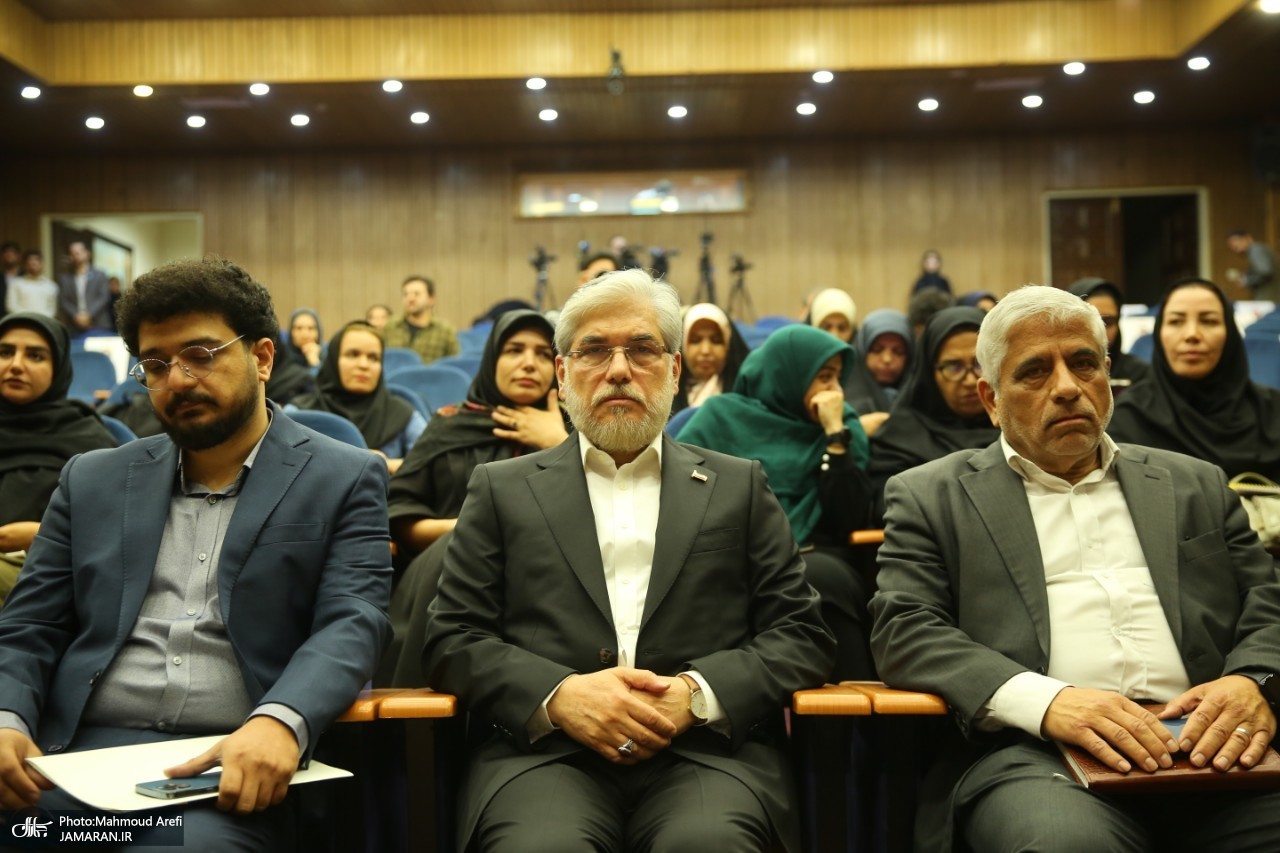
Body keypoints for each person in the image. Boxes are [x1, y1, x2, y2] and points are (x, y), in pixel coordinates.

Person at [424, 269, 835, 853]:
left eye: (642, 349)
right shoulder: (501, 488)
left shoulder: (738, 486)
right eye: (594, 350)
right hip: (545, 755)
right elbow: (451, 637)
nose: (619, 370)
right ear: (563, 374)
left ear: (674, 370)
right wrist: (560, 696)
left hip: (705, 755)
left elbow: (801, 633)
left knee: (707, 846)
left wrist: (696, 694)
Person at [869, 284, 1280, 853]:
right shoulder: (932, 496)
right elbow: (905, 628)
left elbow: (1267, 602)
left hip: (1213, 745)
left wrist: (1252, 681)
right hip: (1040, 758)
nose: (1066, 387)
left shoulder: (1195, 483)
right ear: (991, 399)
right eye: (1035, 372)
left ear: (1107, 375)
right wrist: (1049, 702)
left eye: (1083, 363)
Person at [0, 257, 392, 850]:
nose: (178, 380)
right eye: (156, 364)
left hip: (226, 767)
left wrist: (280, 720)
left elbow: (353, 621)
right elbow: (28, 626)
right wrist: (6, 717)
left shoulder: (343, 476)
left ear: (262, 358)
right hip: (73, 762)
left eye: (201, 355)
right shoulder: (92, 479)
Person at [377, 309, 566, 687]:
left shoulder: (574, 429)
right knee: (457, 548)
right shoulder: (450, 424)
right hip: (443, 573)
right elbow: (400, 515)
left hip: (546, 578)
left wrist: (558, 443)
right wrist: (469, 531)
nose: (529, 363)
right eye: (514, 350)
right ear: (492, 359)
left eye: (543, 354)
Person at [677, 324, 875, 680]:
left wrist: (834, 439)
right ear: (788, 375)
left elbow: (850, 516)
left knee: (821, 579)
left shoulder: (842, 427)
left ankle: (848, 709)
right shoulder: (721, 417)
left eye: (838, 378)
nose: (836, 390)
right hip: (734, 549)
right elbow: (682, 489)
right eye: (824, 377)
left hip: (816, 553)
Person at [1108, 278, 1280, 483]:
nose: (1192, 335)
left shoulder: (1273, 411)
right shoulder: (1128, 419)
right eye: (1176, 321)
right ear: (1159, 333)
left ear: (1230, 334)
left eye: (1209, 321)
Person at [0, 312, 117, 604]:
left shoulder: (87, 439)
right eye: (5, 352)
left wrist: (42, 535)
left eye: (35, 356)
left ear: (59, 368)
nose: (16, 365)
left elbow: (113, 531)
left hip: (49, 572)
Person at [867, 306, 999, 521]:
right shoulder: (899, 438)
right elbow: (893, 511)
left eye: (980, 364)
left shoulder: (1018, 430)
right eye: (953, 367)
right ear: (929, 373)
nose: (970, 381)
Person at [290, 321, 426, 474]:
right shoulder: (299, 412)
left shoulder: (402, 413)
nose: (364, 365)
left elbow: (430, 461)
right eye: (353, 354)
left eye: (373, 358)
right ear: (334, 360)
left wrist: (387, 464)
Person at [1067, 277, 1151, 387]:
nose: (1099, 330)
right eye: (1090, 321)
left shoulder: (1140, 374)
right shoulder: (1055, 372)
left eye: (1108, 322)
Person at [844, 308, 914, 436]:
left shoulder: (922, 402)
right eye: (877, 350)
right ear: (863, 351)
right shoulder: (843, 402)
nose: (887, 359)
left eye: (898, 351)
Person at [670, 303, 749, 414]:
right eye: (695, 340)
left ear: (728, 346)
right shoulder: (664, 396)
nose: (705, 351)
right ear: (683, 346)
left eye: (716, 341)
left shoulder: (747, 395)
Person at [381, 274, 461, 365]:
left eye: (416, 294)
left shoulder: (445, 330)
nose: (410, 299)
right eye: (406, 294)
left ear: (431, 299)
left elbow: (454, 363)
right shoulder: (390, 326)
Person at [55, 239, 113, 333]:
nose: (76, 254)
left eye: (79, 251)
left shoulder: (100, 275)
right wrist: (77, 316)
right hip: (74, 326)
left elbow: (104, 297)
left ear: (87, 253)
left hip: (98, 324)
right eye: (73, 253)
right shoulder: (65, 278)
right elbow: (63, 301)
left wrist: (88, 315)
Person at [1226, 229, 1277, 302]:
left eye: (1236, 240)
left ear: (1248, 238)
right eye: (1231, 244)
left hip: (1269, 298)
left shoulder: (1256, 249)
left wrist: (1247, 280)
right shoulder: (1255, 250)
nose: (1234, 245)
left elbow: (1265, 271)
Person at [5, 250, 59, 317]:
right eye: (30, 261)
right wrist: (29, 317)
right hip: (21, 321)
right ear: (25, 265)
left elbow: (52, 310)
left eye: (36, 261)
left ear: (42, 264)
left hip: (43, 321)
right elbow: (11, 307)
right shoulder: (15, 284)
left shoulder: (51, 286)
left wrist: (40, 318)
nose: (33, 264)